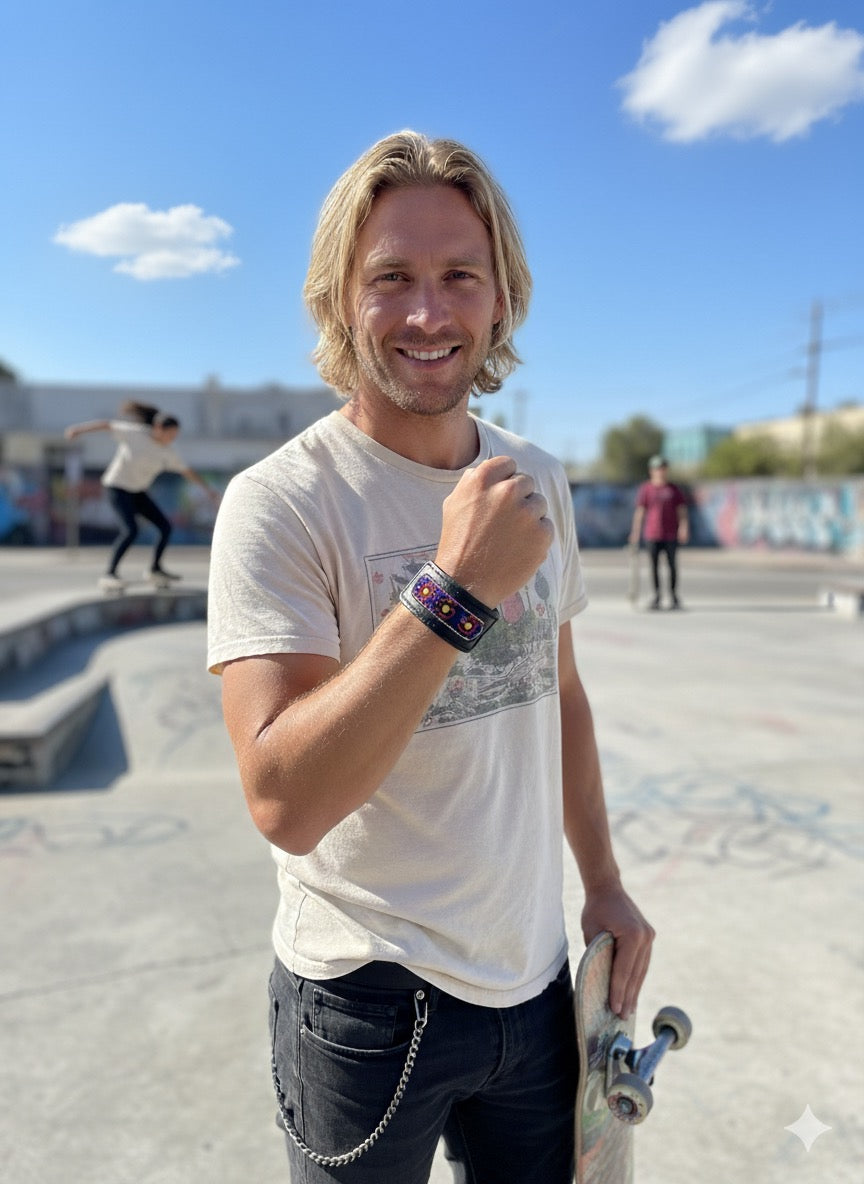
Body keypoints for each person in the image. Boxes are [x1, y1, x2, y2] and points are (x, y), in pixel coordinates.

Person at [207, 130, 654, 1184]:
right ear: (337, 299)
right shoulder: (281, 503)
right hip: (364, 1002)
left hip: (535, 978)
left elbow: (564, 697)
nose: (426, 313)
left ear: (502, 296)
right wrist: (451, 594)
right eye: (390, 278)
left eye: (460, 275)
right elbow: (284, 798)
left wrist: (605, 883)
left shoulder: (534, 478)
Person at [64, 401, 220, 591]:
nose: (171, 439)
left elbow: (186, 471)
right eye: (169, 435)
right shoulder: (134, 433)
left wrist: (208, 489)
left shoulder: (169, 452)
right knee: (131, 530)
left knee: (165, 527)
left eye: (174, 436)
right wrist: (77, 430)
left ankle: (155, 569)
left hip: (137, 491)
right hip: (117, 487)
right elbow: (106, 424)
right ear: (158, 428)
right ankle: (109, 574)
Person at [629, 455, 690, 610]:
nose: (660, 471)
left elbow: (681, 511)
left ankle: (674, 596)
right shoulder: (646, 489)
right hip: (652, 534)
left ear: (666, 470)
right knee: (654, 566)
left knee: (672, 566)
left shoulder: (673, 489)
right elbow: (640, 511)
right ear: (651, 471)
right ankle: (657, 596)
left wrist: (683, 527)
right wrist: (635, 532)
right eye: (657, 468)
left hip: (671, 534)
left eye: (662, 468)